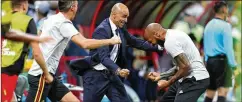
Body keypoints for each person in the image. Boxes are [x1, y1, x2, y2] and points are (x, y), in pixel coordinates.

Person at [26, 1, 121, 102]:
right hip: (41, 76)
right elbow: (84, 43)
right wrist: (111, 41)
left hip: (49, 75)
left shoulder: (50, 19)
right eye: (76, 6)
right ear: (73, 7)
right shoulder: (64, 24)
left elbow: (38, 38)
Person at [72, 3, 163, 102]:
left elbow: (134, 41)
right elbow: (103, 58)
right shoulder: (102, 30)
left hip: (111, 75)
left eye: (127, 17)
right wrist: (118, 70)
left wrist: (158, 47)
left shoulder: (121, 28)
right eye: (124, 16)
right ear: (114, 15)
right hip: (96, 76)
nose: (126, 20)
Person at [145, 23, 209, 102]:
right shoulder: (172, 34)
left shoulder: (169, 42)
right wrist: (161, 75)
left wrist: (167, 83)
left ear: (156, 34)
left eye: (151, 41)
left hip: (195, 79)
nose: (152, 44)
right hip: (186, 78)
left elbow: (186, 67)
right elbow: (180, 67)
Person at [1, 1, 51, 101]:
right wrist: (46, 73)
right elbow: (37, 53)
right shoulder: (28, 21)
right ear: (24, 5)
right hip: (8, 70)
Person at [203, 2, 237, 102]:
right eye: (227, 9)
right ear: (224, 10)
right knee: (223, 91)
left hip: (210, 62)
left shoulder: (208, 25)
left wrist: (206, 60)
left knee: (210, 92)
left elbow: (205, 45)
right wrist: (233, 65)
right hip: (222, 61)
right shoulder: (225, 26)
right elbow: (228, 48)